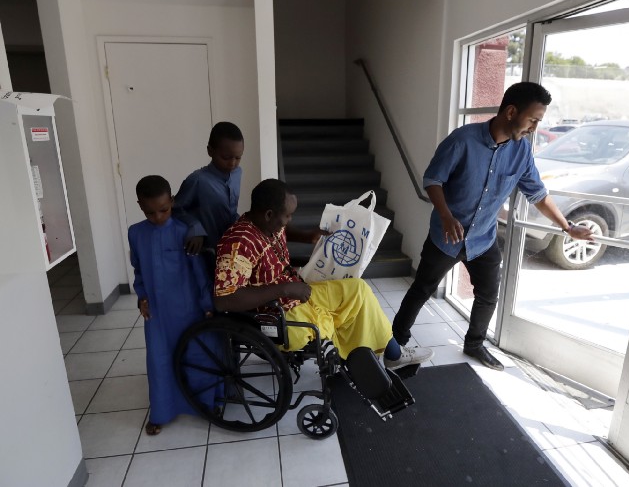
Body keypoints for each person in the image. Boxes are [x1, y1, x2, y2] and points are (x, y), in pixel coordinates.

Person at [392, 82, 594, 371]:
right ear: (511, 112)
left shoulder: (522, 151)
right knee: (422, 289)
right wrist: (446, 216)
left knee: (488, 295)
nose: (535, 128)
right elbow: (433, 180)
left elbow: (537, 194)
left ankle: (474, 345)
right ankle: (395, 344)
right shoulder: (462, 140)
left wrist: (567, 227)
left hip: (483, 239)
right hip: (447, 236)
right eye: (533, 119)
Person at [213, 179, 433, 369]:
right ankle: (351, 356)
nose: (289, 221)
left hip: (294, 292)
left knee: (358, 290)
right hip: (275, 313)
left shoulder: (266, 224)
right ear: (269, 214)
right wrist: (285, 289)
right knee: (329, 318)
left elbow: (282, 233)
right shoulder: (239, 244)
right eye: (288, 216)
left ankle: (393, 355)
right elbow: (224, 300)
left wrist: (307, 237)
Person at [128, 175, 216, 435]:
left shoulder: (184, 231)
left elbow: (199, 272)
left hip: (189, 309)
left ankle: (205, 405)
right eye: (150, 212)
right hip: (157, 313)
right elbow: (138, 270)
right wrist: (142, 296)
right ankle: (162, 412)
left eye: (164, 210)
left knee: (197, 355)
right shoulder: (136, 233)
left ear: (173, 202)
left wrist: (207, 304)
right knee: (159, 360)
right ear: (140, 206)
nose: (157, 217)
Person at [173, 121, 245, 262]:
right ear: (210, 151)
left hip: (232, 249)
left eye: (238, 158)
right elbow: (176, 209)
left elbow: (231, 209)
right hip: (207, 252)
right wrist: (196, 227)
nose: (232, 163)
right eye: (226, 157)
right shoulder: (197, 180)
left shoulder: (238, 173)